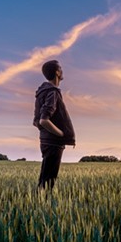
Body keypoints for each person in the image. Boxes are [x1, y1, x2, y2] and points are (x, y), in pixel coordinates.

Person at [33, 60, 75, 189]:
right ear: (57, 72)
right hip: (53, 141)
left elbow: (37, 120)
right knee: (48, 181)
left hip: (45, 140)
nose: (62, 71)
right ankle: (42, 205)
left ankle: (38, 203)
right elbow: (43, 120)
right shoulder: (52, 92)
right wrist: (61, 133)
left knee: (46, 178)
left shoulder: (42, 92)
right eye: (60, 68)